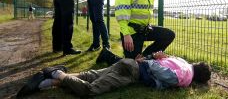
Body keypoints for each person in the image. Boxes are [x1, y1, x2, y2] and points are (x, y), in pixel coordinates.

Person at [16, 49, 211, 97]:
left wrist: (151, 61)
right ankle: (57, 74)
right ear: (198, 78)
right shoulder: (186, 76)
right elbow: (169, 76)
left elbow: (163, 61)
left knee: (92, 74)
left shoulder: (182, 61)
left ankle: (49, 82)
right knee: (90, 90)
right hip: (132, 72)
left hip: (129, 63)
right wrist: (152, 70)